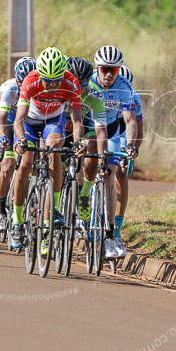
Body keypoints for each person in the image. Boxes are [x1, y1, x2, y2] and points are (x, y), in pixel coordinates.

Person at [10, 47, 85, 250]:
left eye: (56, 80)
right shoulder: (31, 80)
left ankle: (54, 210)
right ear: (40, 75)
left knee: (55, 151)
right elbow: (18, 120)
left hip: (53, 120)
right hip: (30, 122)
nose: (52, 85)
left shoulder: (70, 82)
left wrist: (78, 143)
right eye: (48, 81)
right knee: (25, 163)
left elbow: (77, 121)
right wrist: (20, 140)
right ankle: (17, 222)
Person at [91, 45, 139, 259]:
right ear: (96, 68)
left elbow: (130, 120)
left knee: (110, 175)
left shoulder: (125, 87)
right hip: (87, 128)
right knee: (85, 167)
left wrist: (130, 146)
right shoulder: (88, 83)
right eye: (104, 69)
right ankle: (80, 199)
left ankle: (110, 234)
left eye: (114, 70)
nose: (109, 74)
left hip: (110, 130)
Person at [0, 56, 35, 232]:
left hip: (25, 123)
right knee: (5, 164)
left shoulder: (36, 86)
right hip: (7, 121)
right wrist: (0, 138)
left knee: (28, 162)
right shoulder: (9, 87)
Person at [66, 57, 108, 227]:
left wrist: (102, 155)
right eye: (75, 82)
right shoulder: (60, 89)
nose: (79, 87)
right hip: (64, 127)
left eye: (83, 83)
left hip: (86, 125)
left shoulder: (95, 93)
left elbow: (101, 129)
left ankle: (84, 194)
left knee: (92, 148)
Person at [110, 65, 144, 255]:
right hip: (105, 129)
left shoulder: (133, 97)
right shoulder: (100, 93)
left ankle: (117, 229)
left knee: (121, 173)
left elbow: (138, 130)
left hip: (123, 132)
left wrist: (133, 152)